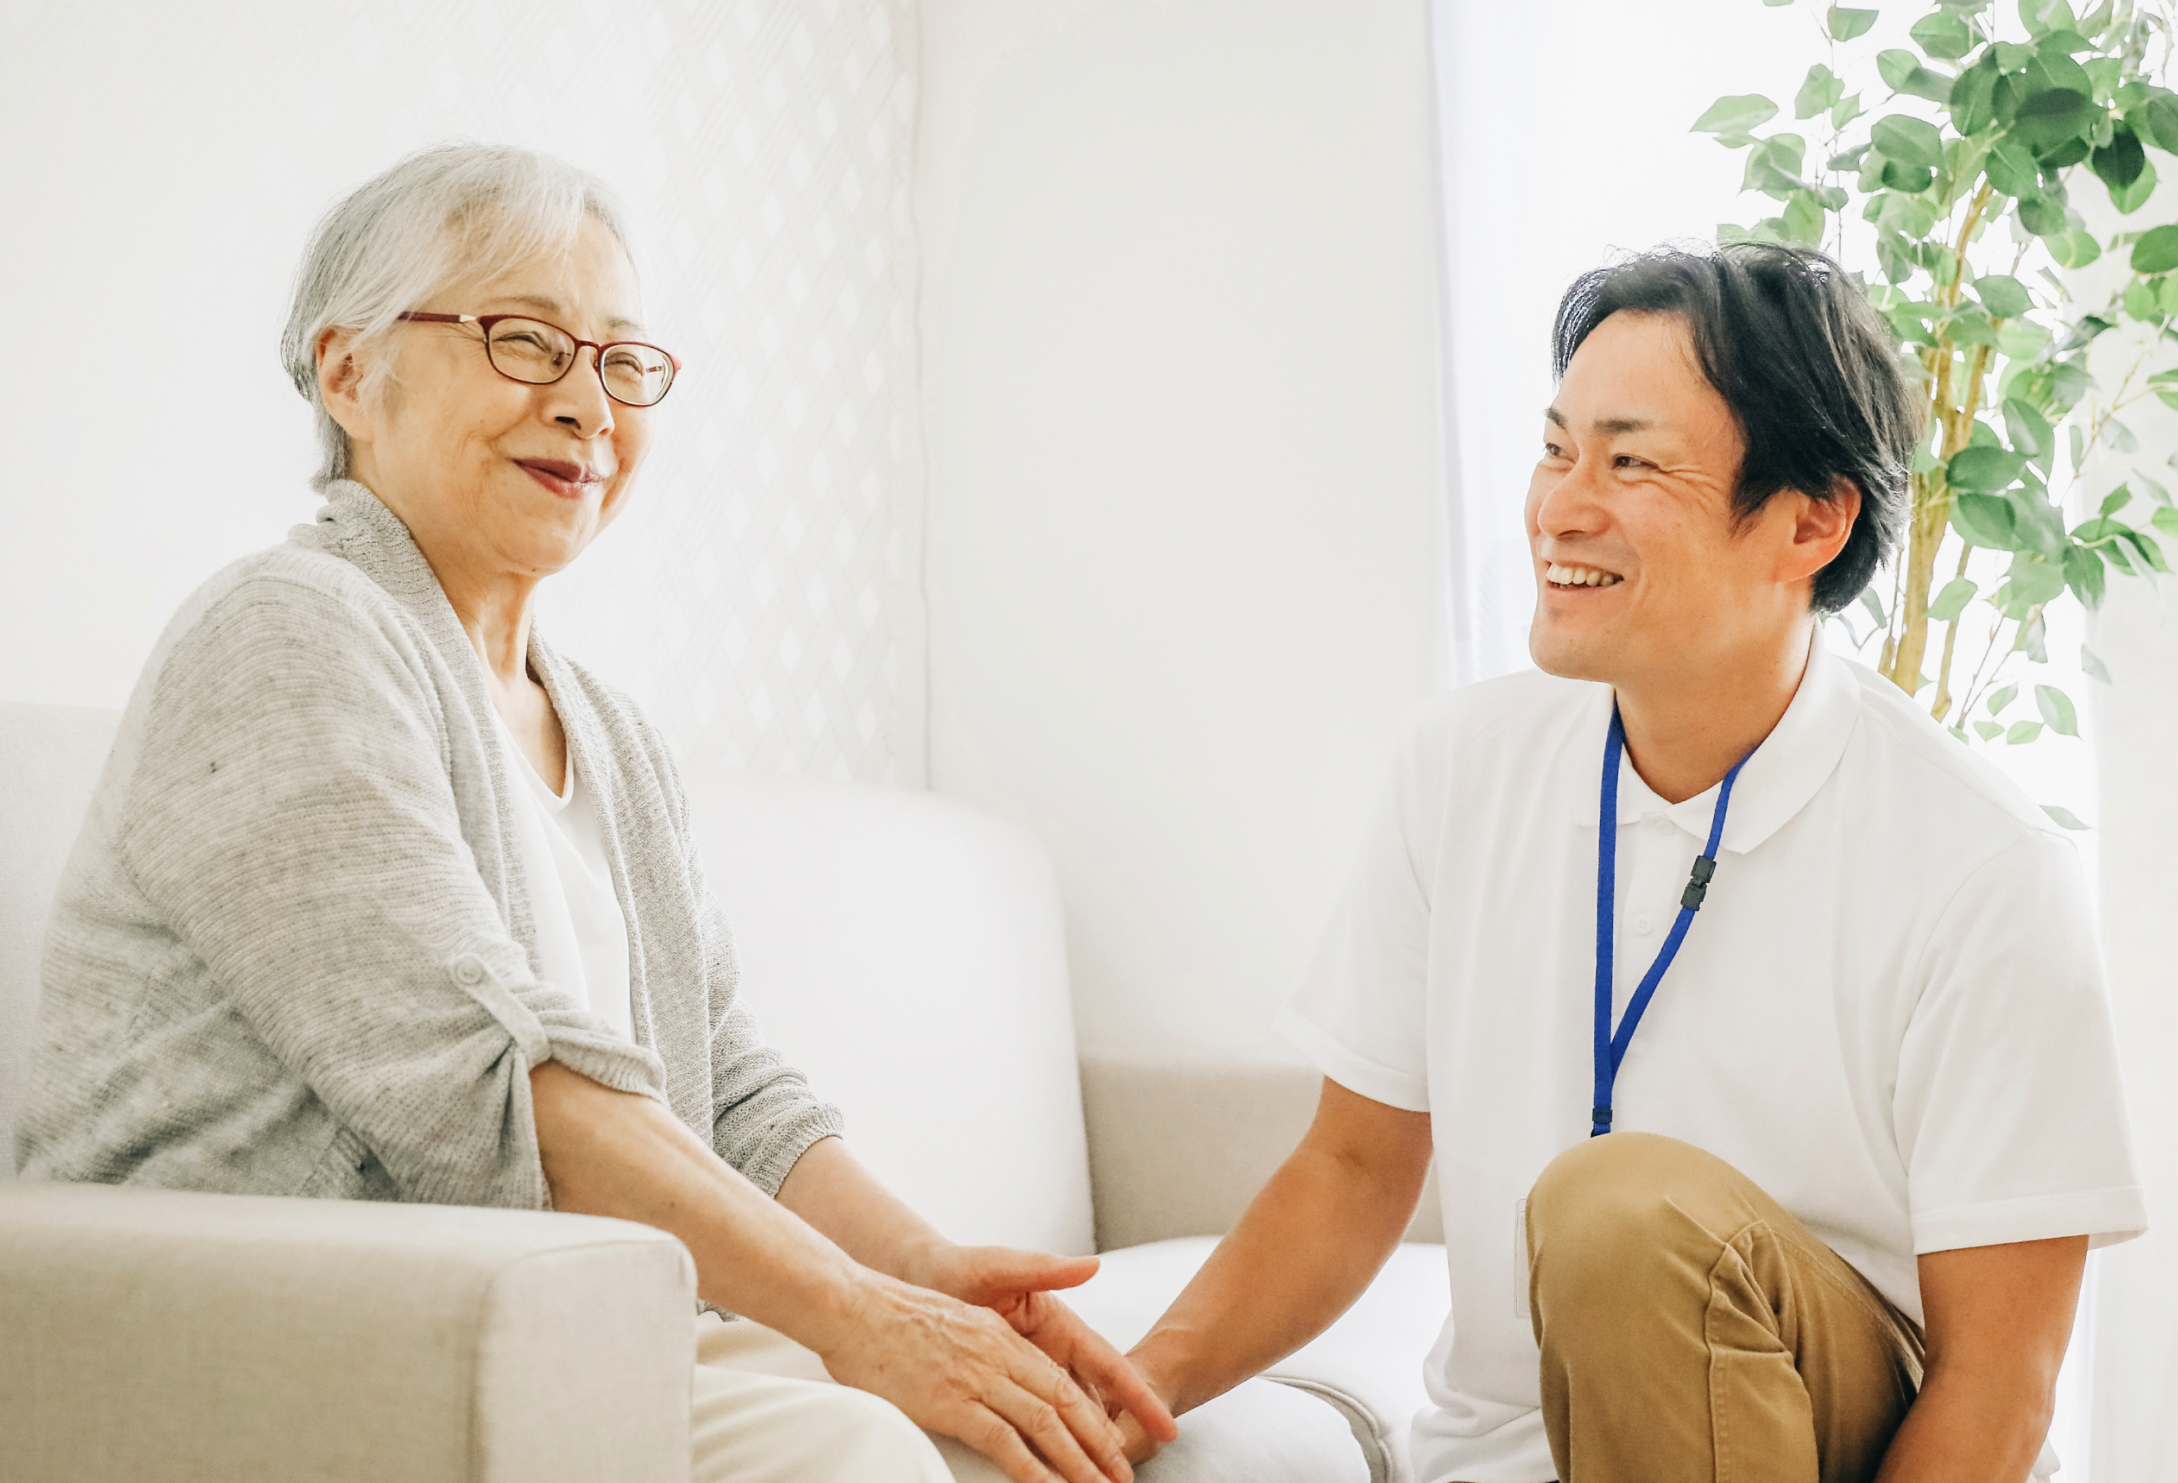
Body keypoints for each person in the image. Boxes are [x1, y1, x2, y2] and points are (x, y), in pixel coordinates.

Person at [16, 143, 1172, 1483]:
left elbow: (725, 1087)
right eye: (524, 340)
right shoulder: (288, 633)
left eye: (622, 362)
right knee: (860, 1441)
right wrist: (855, 1316)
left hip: (566, 1312)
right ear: (349, 375)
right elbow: (490, 1071)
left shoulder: (610, 729)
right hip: (313, 1325)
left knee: (993, 1428)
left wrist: (926, 1274)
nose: (586, 406)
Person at [1107, 243, 2146, 1483]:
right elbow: (1350, 1166)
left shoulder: (1983, 870)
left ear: (1809, 522)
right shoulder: (1461, 765)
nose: (1561, 506)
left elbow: (2000, 1385)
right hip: (1504, 1462)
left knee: (1621, 1216)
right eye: (1556, 450)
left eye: (1631, 461)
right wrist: (1134, 1386)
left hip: (1833, 1448)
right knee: (1614, 1216)